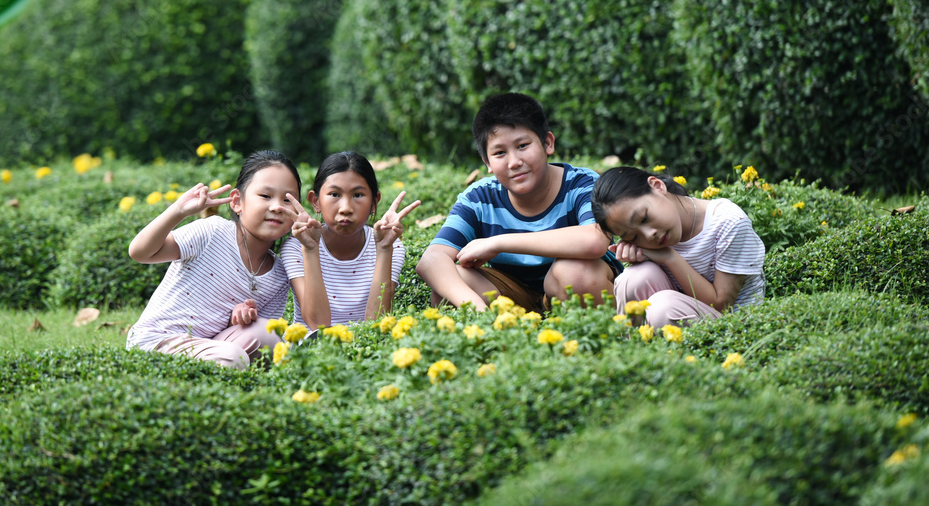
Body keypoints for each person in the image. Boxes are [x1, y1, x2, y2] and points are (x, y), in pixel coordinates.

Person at [417, 92, 621, 313]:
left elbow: (594, 240)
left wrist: (498, 243)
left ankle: (595, 339)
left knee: (575, 273)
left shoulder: (582, 183)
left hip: (577, 286)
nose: (514, 162)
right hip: (513, 295)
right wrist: (476, 308)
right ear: (487, 162)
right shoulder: (479, 198)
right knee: (448, 286)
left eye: (523, 145)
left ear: (547, 143)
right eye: (500, 152)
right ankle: (507, 339)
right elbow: (431, 259)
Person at [126, 150, 329, 369]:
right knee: (233, 358)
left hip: (212, 345)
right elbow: (140, 252)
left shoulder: (278, 275)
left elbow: (255, 334)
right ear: (237, 202)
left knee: (270, 335)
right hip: (158, 340)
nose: (277, 207)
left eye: (288, 199)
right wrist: (178, 211)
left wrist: (241, 316)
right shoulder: (212, 231)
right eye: (265, 196)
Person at [591, 166, 766, 327]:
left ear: (657, 186)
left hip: (732, 325)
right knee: (633, 279)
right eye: (634, 236)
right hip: (679, 311)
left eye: (644, 218)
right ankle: (635, 351)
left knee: (662, 308)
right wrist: (636, 258)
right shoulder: (651, 240)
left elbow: (721, 306)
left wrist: (669, 257)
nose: (649, 234)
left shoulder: (729, 222)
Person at [281, 151, 421, 328]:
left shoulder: (392, 245)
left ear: (374, 203)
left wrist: (384, 249)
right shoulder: (296, 247)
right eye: (334, 194)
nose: (346, 208)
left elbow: (376, 322)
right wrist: (311, 250)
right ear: (315, 201)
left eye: (357, 195)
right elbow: (318, 325)